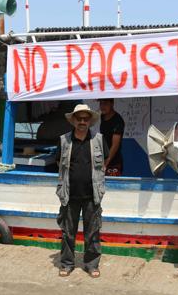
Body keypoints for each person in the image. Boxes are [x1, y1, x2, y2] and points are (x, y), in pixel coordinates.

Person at [56, 104, 108, 278]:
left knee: (92, 233)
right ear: (74, 120)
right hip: (69, 195)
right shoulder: (64, 140)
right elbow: (59, 165)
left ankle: (92, 265)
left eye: (86, 119)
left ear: (90, 121)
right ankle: (67, 264)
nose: (83, 122)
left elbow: (104, 163)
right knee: (67, 232)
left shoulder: (99, 139)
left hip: (92, 195)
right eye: (80, 118)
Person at [99, 98, 125, 176]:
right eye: (101, 103)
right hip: (102, 159)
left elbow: (115, 145)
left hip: (114, 163)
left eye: (105, 104)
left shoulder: (118, 121)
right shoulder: (102, 116)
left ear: (112, 103)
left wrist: (106, 162)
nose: (102, 106)